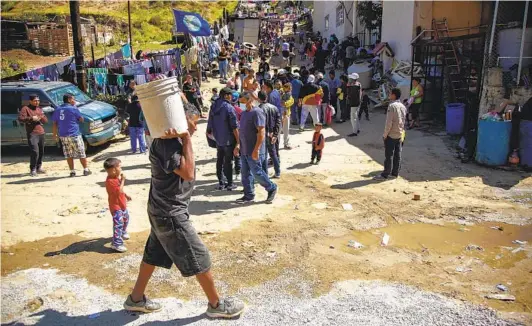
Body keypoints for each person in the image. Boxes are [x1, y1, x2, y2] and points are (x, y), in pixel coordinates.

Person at [123, 101, 246, 318]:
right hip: (170, 214)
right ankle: (216, 306)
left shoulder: (171, 141)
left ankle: (135, 298)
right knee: (200, 257)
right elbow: (188, 173)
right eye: (192, 123)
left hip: (161, 210)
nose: (195, 128)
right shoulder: (167, 144)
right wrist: (186, 138)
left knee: (153, 255)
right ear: (180, 122)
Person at [237, 91, 278, 204]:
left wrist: (257, 149)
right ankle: (248, 194)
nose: (241, 104)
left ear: (249, 100)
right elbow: (242, 131)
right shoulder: (245, 114)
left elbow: (261, 132)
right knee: (245, 174)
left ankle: (271, 187)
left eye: (243, 102)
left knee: (257, 173)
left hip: (254, 150)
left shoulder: (257, 112)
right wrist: (238, 145)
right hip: (245, 149)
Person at [207, 88, 240, 191]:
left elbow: (210, 124)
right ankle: (230, 183)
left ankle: (221, 182)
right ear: (226, 95)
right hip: (228, 139)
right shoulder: (229, 108)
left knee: (220, 160)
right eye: (230, 95)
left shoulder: (213, 106)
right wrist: (238, 141)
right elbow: (234, 126)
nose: (231, 97)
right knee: (228, 161)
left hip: (218, 138)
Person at [52, 93, 92, 177]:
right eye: (73, 99)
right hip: (74, 134)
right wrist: (76, 108)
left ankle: (72, 171)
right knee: (81, 152)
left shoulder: (58, 109)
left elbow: (55, 123)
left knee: (68, 154)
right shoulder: (73, 108)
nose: (74, 101)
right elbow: (81, 119)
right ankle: (85, 169)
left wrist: (55, 134)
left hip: (63, 135)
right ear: (69, 100)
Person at [374, 88, 407, 180]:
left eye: (390, 94)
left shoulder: (392, 106)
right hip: (400, 133)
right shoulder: (403, 106)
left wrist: (385, 135)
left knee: (389, 155)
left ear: (394, 95)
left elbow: (389, 123)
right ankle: (395, 173)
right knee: (397, 154)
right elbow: (404, 121)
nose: (389, 95)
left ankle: (385, 174)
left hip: (391, 134)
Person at [104, 158, 132, 253]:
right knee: (118, 224)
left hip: (122, 204)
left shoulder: (116, 177)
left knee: (126, 219)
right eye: (120, 166)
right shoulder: (110, 181)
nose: (121, 168)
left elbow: (120, 191)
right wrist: (123, 180)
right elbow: (118, 190)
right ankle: (116, 243)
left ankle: (123, 232)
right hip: (116, 207)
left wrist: (126, 195)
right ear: (113, 169)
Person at [18, 94, 48, 176]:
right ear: (30, 101)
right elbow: (20, 119)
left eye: (38, 101)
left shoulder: (39, 109)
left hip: (41, 132)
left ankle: (39, 167)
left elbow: (45, 121)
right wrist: (31, 118)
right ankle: (33, 169)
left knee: (41, 151)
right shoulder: (25, 108)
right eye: (35, 101)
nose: (37, 102)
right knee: (35, 152)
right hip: (32, 133)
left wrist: (41, 117)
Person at [258, 91, 281, 178]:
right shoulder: (274, 108)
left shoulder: (259, 109)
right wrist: (275, 134)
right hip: (272, 134)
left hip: (264, 134)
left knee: (264, 155)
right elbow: (278, 122)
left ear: (259, 98)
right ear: (266, 97)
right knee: (273, 154)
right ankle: (277, 172)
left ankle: (265, 174)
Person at [281, 83, 294, 150]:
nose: (289, 89)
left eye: (288, 87)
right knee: (280, 130)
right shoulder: (282, 93)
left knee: (286, 130)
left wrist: (285, 104)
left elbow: (291, 101)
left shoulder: (289, 94)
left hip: (286, 113)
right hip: (281, 113)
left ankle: (286, 143)